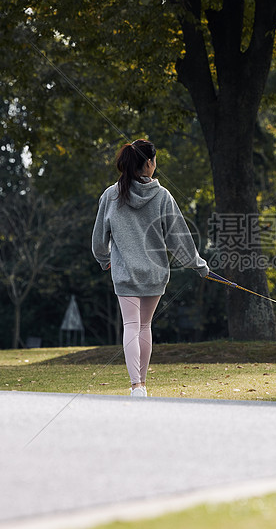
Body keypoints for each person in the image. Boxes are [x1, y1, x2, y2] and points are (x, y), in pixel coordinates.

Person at [92, 139, 209, 397]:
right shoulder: (163, 196)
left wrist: (104, 259)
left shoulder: (110, 195)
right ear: (149, 163)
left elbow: (99, 238)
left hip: (125, 273)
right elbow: (179, 238)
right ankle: (142, 384)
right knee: (145, 326)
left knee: (131, 325)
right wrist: (199, 266)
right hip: (156, 273)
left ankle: (136, 386)